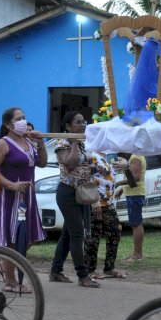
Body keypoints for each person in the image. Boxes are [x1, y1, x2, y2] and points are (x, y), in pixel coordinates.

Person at [0, 107, 47, 292]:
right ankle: (10, 281)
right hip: (8, 196)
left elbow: (42, 163)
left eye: (24, 117)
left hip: (27, 195)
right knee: (11, 238)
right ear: (8, 124)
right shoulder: (3, 144)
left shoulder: (27, 142)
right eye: (18, 118)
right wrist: (11, 185)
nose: (23, 121)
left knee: (29, 236)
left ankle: (5, 266)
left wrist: (41, 143)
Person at [49, 111, 106, 288]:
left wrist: (98, 169)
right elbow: (71, 163)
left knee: (68, 234)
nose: (83, 125)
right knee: (77, 233)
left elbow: (83, 166)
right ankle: (83, 275)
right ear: (68, 126)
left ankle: (55, 271)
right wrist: (73, 142)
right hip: (67, 193)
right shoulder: (63, 143)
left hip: (81, 193)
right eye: (78, 122)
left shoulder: (83, 143)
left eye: (84, 122)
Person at [85, 152, 127, 279]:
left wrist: (125, 162)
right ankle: (89, 270)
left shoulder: (109, 154)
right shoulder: (90, 153)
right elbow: (85, 176)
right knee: (93, 236)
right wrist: (93, 200)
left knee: (115, 231)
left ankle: (109, 268)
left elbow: (122, 161)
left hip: (108, 202)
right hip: (95, 202)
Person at [115, 153, 146, 261]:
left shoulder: (136, 157)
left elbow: (135, 178)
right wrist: (123, 188)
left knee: (136, 224)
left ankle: (137, 255)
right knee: (137, 223)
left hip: (135, 195)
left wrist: (118, 183)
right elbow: (132, 179)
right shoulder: (135, 157)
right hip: (134, 194)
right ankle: (137, 253)